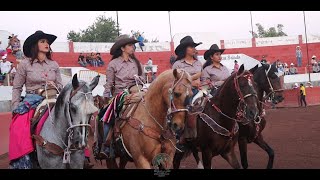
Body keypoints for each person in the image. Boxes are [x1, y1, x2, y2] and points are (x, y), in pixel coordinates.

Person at [9, 30, 63, 169]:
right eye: (42, 41)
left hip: (53, 97)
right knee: (18, 126)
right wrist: (15, 106)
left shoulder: (54, 64)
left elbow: (61, 86)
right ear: (35, 45)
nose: (47, 44)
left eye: (47, 42)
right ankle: (23, 162)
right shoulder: (25, 64)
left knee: (73, 117)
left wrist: (55, 85)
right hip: (32, 99)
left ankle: (81, 155)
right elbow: (17, 88)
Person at [100, 35, 144, 158]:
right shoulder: (113, 64)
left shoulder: (137, 63)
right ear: (123, 48)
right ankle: (106, 145)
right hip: (120, 94)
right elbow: (109, 84)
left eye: (133, 45)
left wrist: (139, 80)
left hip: (137, 92)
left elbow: (143, 80)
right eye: (130, 45)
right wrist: (106, 99)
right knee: (107, 115)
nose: (133, 47)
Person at [171, 35, 202, 148]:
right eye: (191, 47)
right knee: (189, 107)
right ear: (185, 49)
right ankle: (182, 136)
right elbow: (175, 81)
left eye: (195, 47)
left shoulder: (198, 63)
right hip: (184, 93)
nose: (194, 49)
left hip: (199, 90)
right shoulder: (177, 64)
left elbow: (202, 79)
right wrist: (192, 81)